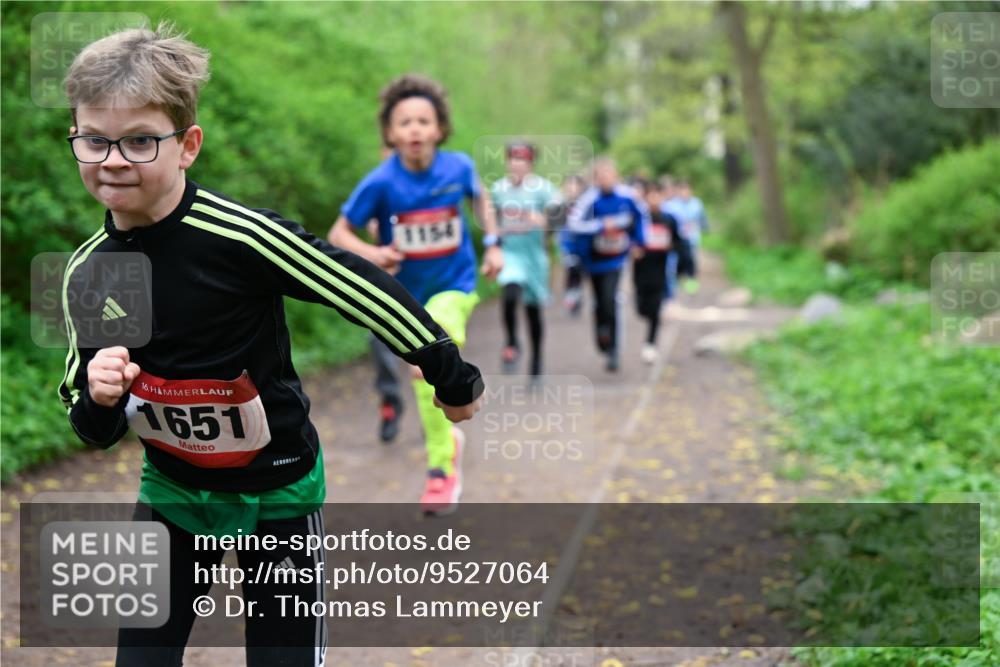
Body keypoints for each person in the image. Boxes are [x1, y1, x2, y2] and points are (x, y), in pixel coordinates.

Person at [58, 25, 484, 666]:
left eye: (142, 141)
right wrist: (98, 396)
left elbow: (356, 284)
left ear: (187, 146)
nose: (114, 159)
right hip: (173, 493)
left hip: (276, 490)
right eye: (95, 139)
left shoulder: (240, 238)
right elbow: (92, 429)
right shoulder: (88, 274)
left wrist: (450, 376)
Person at [327, 74, 502, 515]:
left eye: (424, 120)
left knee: (428, 364)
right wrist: (375, 252)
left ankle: (439, 470)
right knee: (422, 379)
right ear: (390, 133)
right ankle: (447, 452)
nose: (415, 129)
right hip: (405, 298)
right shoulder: (381, 183)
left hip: (455, 287)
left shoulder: (459, 167)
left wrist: (494, 241)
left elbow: (481, 201)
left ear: (440, 128)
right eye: (405, 122)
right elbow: (338, 232)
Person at [566, 158, 647, 372]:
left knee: (611, 299)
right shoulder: (589, 200)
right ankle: (601, 334)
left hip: (616, 259)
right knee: (599, 302)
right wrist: (601, 226)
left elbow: (640, 218)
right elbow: (573, 225)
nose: (605, 180)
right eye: (601, 176)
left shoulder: (627, 197)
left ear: (616, 176)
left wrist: (639, 242)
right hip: (593, 261)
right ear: (595, 179)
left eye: (609, 175)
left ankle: (614, 351)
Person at [491, 142, 561, 379]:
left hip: (534, 257)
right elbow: (491, 220)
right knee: (510, 294)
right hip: (510, 254)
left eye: (522, 159)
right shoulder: (499, 189)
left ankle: (537, 360)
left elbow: (560, 215)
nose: (517, 164)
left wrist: (546, 221)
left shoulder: (543, 189)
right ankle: (511, 342)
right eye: (513, 159)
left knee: (533, 312)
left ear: (530, 163)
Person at [632, 179, 681, 364]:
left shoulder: (669, 220)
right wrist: (634, 250)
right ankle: (648, 320)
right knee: (641, 308)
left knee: (655, 307)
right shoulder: (638, 219)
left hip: (660, 270)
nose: (654, 199)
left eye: (657, 194)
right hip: (640, 270)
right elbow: (629, 240)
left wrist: (670, 247)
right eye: (650, 194)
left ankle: (650, 344)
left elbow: (679, 243)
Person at [662, 178, 708, 294]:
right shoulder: (670, 205)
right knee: (673, 262)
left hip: (691, 239)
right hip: (676, 240)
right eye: (682, 190)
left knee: (690, 261)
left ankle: (691, 285)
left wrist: (704, 228)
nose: (684, 193)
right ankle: (673, 285)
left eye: (686, 190)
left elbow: (702, 219)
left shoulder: (696, 203)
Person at [557, 173, 588, 317]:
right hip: (567, 245)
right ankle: (572, 297)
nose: (572, 188)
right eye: (569, 185)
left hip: (583, 246)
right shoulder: (561, 206)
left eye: (575, 185)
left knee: (580, 273)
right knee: (572, 270)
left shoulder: (586, 205)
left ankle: (577, 297)